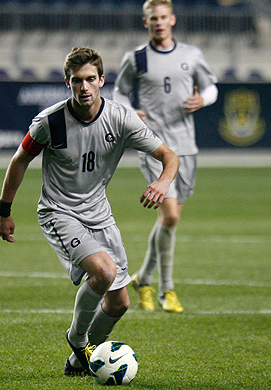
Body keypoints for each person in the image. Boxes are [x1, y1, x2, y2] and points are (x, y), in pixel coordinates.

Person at [0, 47, 179, 376]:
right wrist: (4, 210)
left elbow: (169, 156)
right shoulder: (50, 122)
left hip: (99, 214)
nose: (84, 87)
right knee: (104, 272)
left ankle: (77, 364)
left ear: (102, 80)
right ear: (67, 83)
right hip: (58, 212)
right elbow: (19, 160)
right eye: (77, 81)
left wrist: (163, 183)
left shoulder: (121, 118)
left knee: (119, 302)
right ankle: (78, 341)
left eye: (90, 79)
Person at [113, 0, 218, 314]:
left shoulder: (191, 55)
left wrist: (203, 99)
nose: (158, 22)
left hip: (186, 145)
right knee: (170, 216)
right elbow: (119, 92)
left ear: (172, 19)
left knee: (169, 221)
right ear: (145, 22)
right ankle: (166, 290)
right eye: (152, 18)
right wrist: (131, 112)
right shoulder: (136, 58)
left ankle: (143, 278)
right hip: (154, 145)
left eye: (163, 17)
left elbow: (212, 86)